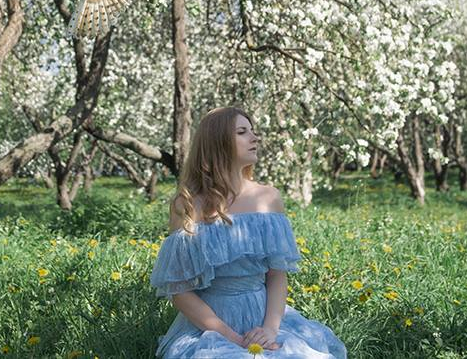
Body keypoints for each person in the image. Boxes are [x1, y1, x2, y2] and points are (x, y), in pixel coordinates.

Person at [149, 106, 347, 358]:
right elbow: (180, 292)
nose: (254, 138)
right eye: (242, 132)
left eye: (252, 131)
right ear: (217, 143)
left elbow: (277, 275)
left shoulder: (268, 197)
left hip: (266, 317)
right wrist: (232, 338)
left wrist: (269, 330)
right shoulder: (187, 204)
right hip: (210, 326)